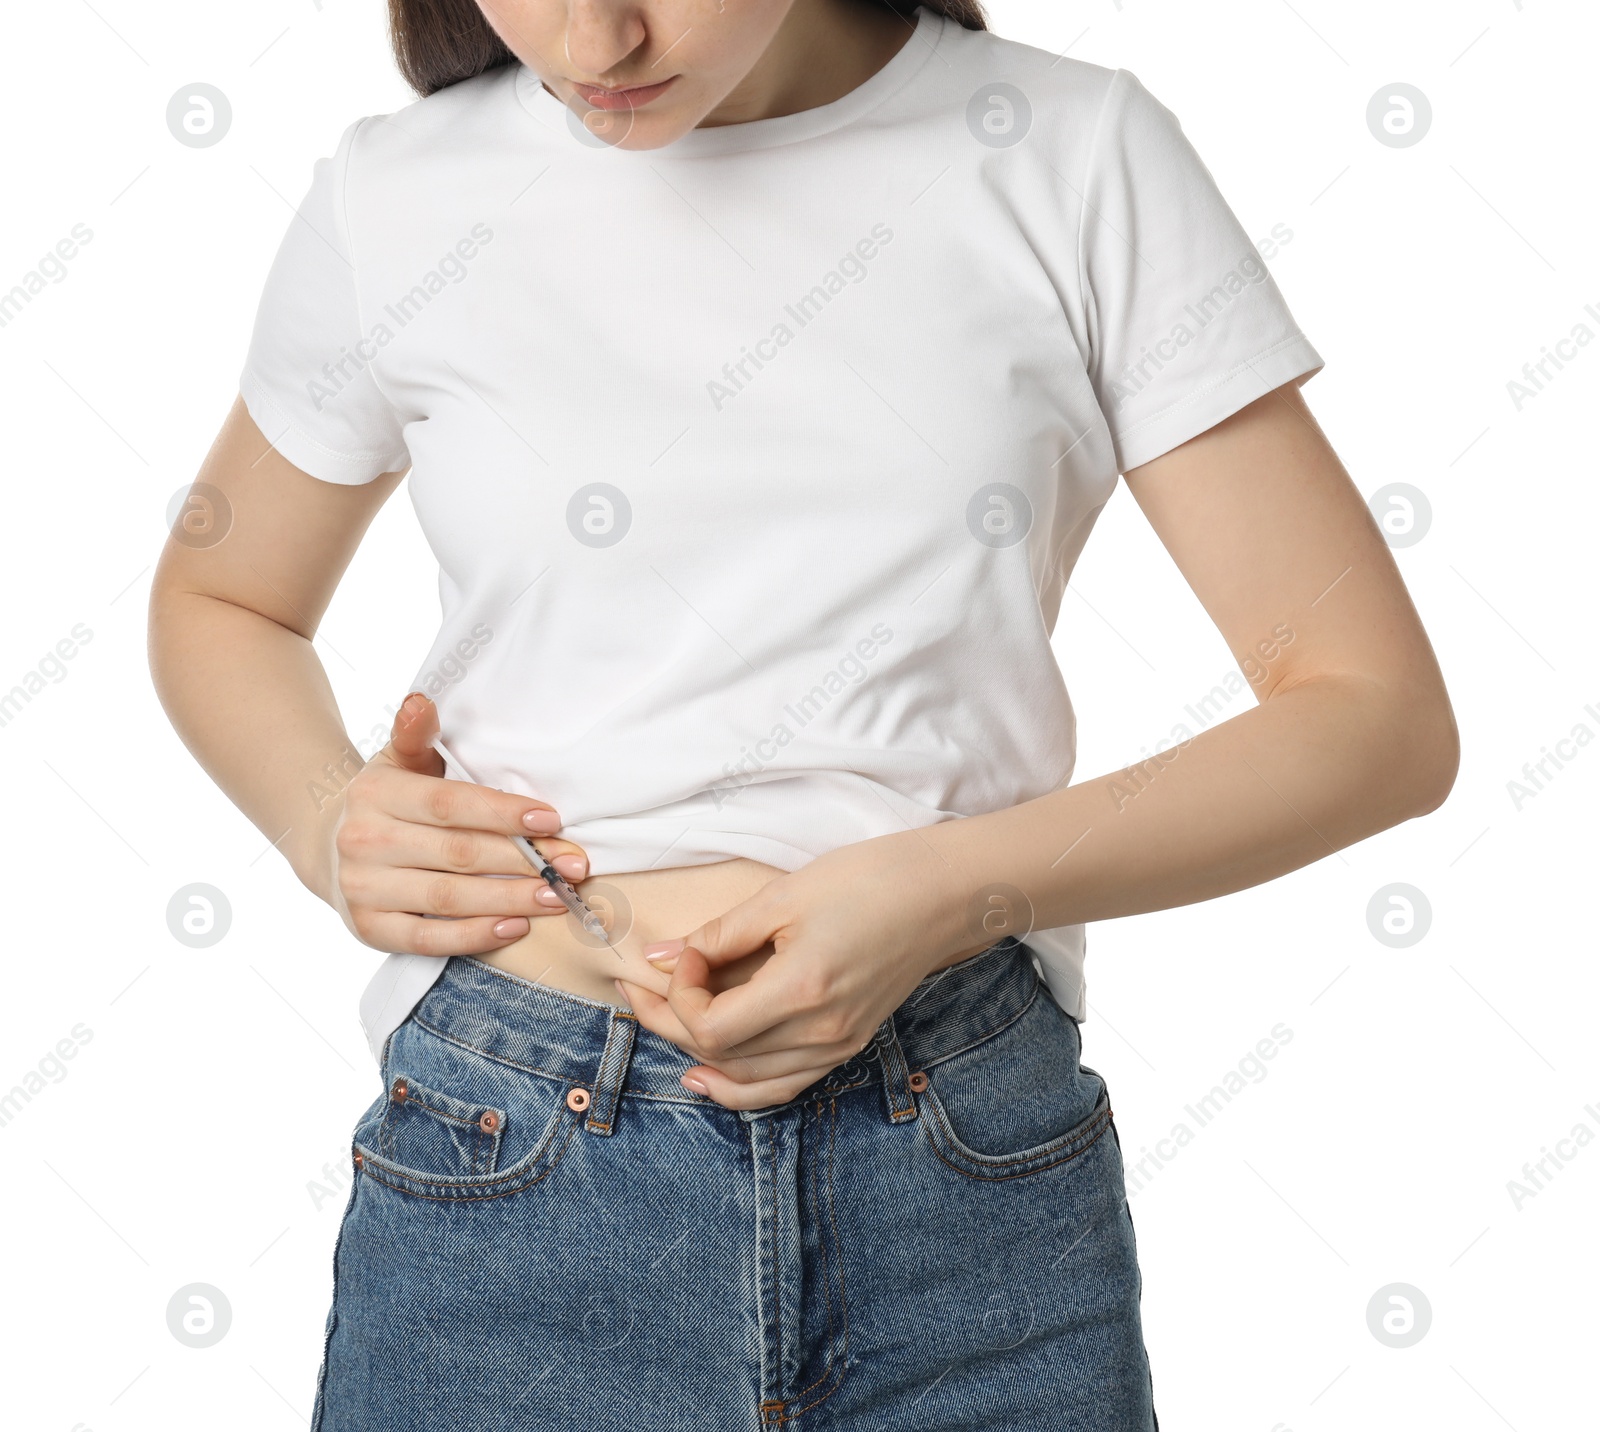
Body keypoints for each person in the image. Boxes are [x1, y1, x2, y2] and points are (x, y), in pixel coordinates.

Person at [147, 1, 1459, 1427]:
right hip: (502, 1173)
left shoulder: (1073, 155)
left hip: (964, 1182)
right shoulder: (396, 196)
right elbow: (226, 599)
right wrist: (321, 815)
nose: (595, 38)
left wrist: (944, 886)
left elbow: (1371, 714)